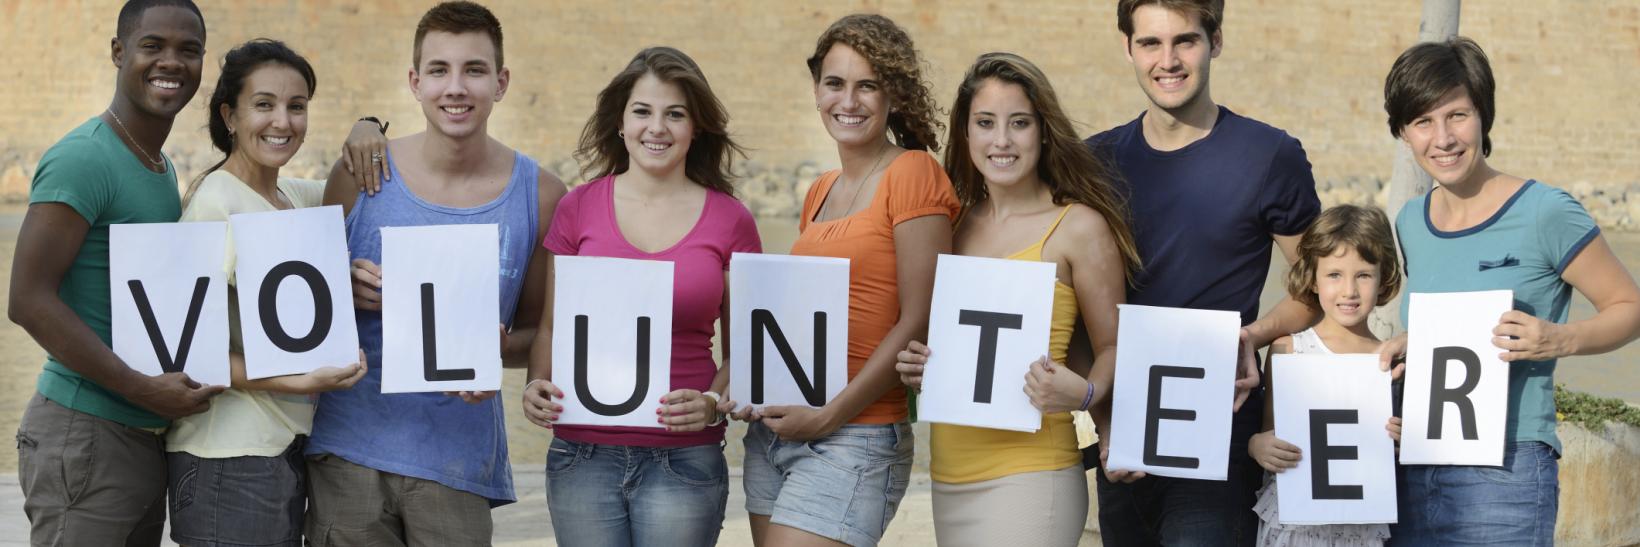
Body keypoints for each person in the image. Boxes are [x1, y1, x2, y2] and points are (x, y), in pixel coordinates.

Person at [304, 2, 566, 545]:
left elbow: (538, 334)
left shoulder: (540, 195)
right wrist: (338, 292)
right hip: (349, 450)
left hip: (458, 462)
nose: (456, 87)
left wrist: (490, 349)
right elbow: (306, 321)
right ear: (415, 81)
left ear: (501, 82)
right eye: (440, 70)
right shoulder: (358, 175)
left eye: (474, 70)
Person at [1376, 37, 1640, 545]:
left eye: (1457, 115)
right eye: (1422, 122)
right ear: (1403, 133)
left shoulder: (1546, 211)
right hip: (1414, 464)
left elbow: (1629, 307)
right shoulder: (1410, 221)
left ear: (1484, 115)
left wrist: (1560, 339)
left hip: (1509, 470)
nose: (1443, 138)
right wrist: (1416, 344)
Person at [1084, 1, 1324, 544]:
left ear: (1215, 41)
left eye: (1185, 41)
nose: (1167, 60)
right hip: (1123, 431)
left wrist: (1254, 335)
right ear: (1128, 48)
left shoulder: (1269, 155)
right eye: (1150, 43)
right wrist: (1101, 423)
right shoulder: (1094, 163)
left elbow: (1320, 290)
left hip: (1221, 434)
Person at [892, 52, 1141, 547]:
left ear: (1043, 132)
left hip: (1033, 474)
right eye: (985, 123)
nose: (1001, 141)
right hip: (950, 475)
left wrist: (1085, 394)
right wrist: (920, 365)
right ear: (966, 134)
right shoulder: (952, 226)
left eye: (1019, 123)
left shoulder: (1077, 227)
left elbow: (1117, 345)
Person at [519, 46, 760, 547]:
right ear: (621, 124)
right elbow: (551, 326)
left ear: (696, 129)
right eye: (643, 112)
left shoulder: (731, 220)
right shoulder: (576, 209)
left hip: (684, 456)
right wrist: (537, 383)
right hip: (581, 455)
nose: (658, 128)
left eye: (675, 114)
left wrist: (715, 402)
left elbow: (747, 351)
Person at [734, 13, 958, 547]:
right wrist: (750, 389)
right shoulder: (821, 189)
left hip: (853, 435)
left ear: (893, 96)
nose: (849, 101)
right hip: (776, 434)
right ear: (816, 90)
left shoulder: (913, 173)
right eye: (835, 83)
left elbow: (920, 316)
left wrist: (829, 416)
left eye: (868, 86)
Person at [160, 38, 381, 547]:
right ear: (229, 116)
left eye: (296, 106)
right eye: (264, 105)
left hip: (278, 453)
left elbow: (348, 186)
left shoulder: (290, 198)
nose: (282, 121)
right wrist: (298, 381)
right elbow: (186, 352)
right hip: (227, 458)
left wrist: (368, 124)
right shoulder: (216, 204)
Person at [8, 2, 215, 544]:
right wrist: (144, 390)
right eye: (153, 46)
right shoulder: (84, 158)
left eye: (188, 50)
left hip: (139, 437)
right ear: (119, 52)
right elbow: (28, 299)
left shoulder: (157, 164)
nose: (171, 62)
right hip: (86, 431)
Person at [1247, 204, 1402, 546]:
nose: (1349, 290)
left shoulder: (1392, 360)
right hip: (1294, 528)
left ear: (1383, 279)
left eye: (1363, 275)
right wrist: (1257, 445)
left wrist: (1403, 440)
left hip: (1361, 528)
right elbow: (1268, 429)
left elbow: (1397, 446)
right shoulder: (1288, 350)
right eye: (1334, 274)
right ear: (1313, 279)